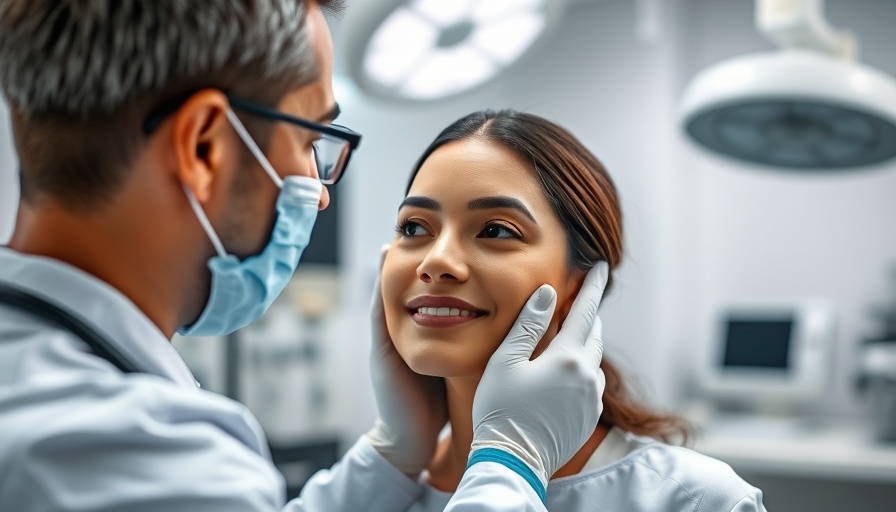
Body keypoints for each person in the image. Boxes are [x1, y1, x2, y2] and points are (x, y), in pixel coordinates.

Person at [0, 2, 608, 511]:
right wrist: (511, 460)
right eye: (310, 140)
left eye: (497, 230)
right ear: (206, 147)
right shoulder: (128, 452)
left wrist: (388, 458)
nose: (318, 194)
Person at [377, 109, 769, 511]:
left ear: (581, 284)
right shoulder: (370, 490)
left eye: (495, 230)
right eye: (414, 228)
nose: (435, 261)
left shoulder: (694, 500)